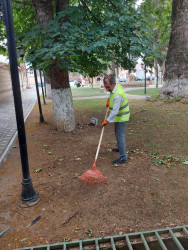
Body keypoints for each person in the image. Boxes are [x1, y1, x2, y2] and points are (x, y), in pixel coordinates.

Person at [102, 76, 130, 165]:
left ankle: (123, 158)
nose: (106, 89)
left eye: (108, 87)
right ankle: (120, 148)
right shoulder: (115, 87)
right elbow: (111, 94)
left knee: (120, 136)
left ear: (113, 84)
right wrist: (108, 101)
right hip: (119, 116)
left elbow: (114, 112)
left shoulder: (118, 95)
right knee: (117, 134)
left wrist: (107, 120)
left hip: (122, 117)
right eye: (105, 87)